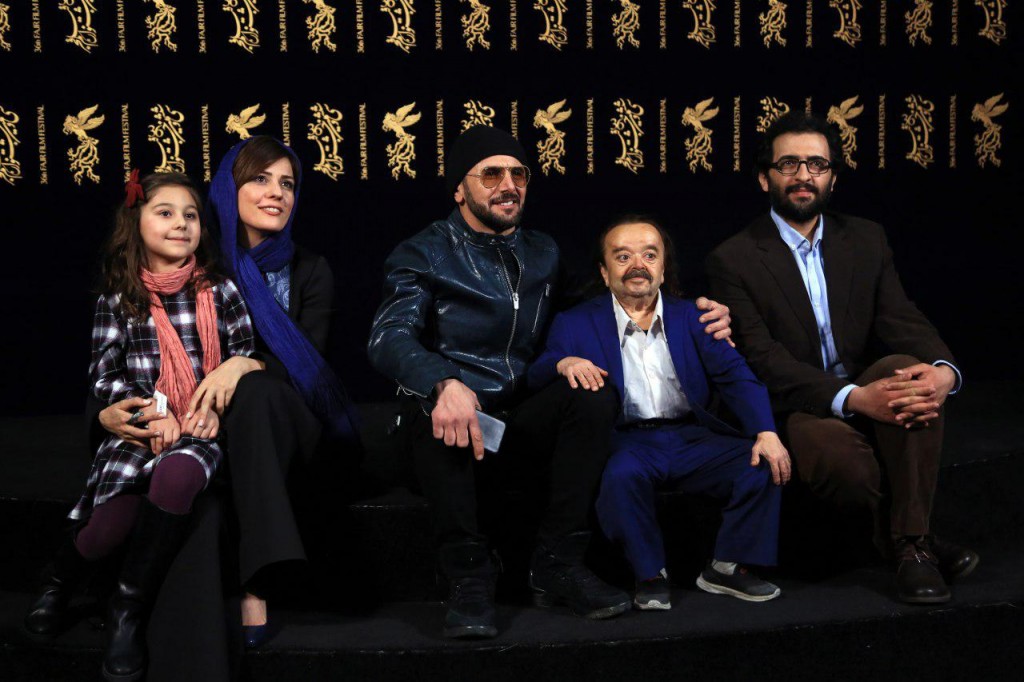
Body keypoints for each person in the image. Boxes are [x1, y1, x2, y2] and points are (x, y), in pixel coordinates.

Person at [368, 126, 732, 638]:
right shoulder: (424, 252)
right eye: (490, 174)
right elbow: (387, 337)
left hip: (517, 421)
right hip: (448, 426)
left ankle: (558, 563)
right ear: (459, 189)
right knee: (437, 409)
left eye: (518, 174)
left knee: (591, 393)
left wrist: (692, 313)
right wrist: (444, 381)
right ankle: (468, 575)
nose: (508, 185)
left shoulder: (543, 252)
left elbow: (600, 305)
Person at [705, 112, 979, 604]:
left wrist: (944, 371)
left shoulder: (866, 238)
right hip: (794, 405)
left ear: (833, 177)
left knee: (910, 378)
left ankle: (913, 548)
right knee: (849, 468)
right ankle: (910, 538)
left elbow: (900, 317)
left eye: (817, 164)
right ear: (765, 178)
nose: (803, 175)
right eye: (788, 164)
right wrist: (854, 398)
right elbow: (764, 359)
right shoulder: (734, 258)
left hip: (861, 380)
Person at [24, 171, 255, 682]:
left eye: (190, 215)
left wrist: (216, 402)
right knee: (107, 528)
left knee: (179, 474)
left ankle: (127, 610)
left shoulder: (220, 291)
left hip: (200, 428)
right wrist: (151, 414)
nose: (181, 224)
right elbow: (104, 377)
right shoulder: (119, 297)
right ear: (137, 222)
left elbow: (242, 358)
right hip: (142, 427)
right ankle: (59, 580)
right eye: (165, 213)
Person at [529, 217, 789, 610]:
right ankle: (649, 575)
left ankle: (726, 566)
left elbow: (737, 377)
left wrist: (766, 432)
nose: (638, 264)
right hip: (627, 440)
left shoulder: (694, 318)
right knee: (620, 477)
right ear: (604, 272)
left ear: (663, 269)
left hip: (691, 437)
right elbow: (537, 372)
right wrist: (563, 362)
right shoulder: (576, 322)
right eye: (623, 257)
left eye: (650, 255)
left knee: (764, 462)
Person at [197, 135, 360, 648]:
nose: (277, 193)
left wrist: (244, 364)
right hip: (207, 417)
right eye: (260, 179)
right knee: (247, 401)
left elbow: (306, 366)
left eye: (287, 184)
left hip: (295, 420)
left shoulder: (310, 268)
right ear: (229, 189)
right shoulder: (201, 265)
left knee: (258, 394)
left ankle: (256, 586)